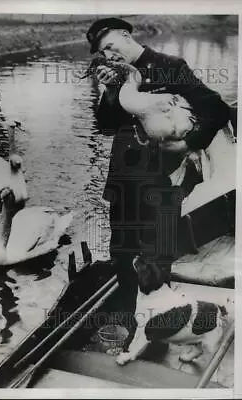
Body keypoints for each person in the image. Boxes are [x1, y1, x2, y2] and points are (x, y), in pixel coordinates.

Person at [85, 18, 231, 319]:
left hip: (164, 181)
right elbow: (105, 127)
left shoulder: (170, 66)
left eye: (111, 47)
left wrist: (189, 143)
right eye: (103, 53)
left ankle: (162, 321)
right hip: (124, 181)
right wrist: (111, 91)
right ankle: (128, 317)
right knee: (122, 253)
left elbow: (215, 108)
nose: (109, 56)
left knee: (160, 253)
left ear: (126, 36)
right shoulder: (117, 76)